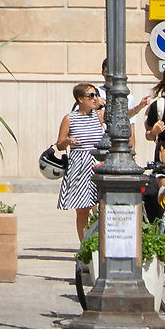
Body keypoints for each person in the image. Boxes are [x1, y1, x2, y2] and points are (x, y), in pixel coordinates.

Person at [56, 81, 107, 243]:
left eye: (96, 95)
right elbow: (59, 144)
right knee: (82, 210)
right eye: (90, 95)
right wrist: (68, 141)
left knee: (101, 208)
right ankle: (84, 244)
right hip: (79, 165)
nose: (94, 98)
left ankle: (100, 243)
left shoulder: (99, 115)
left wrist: (140, 107)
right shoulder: (69, 118)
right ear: (80, 99)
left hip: (97, 165)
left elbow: (125, 114)